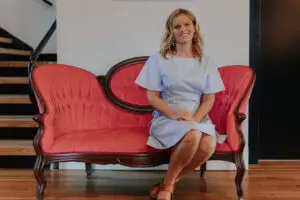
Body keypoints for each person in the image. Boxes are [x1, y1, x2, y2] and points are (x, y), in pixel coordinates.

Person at [135, 8, 225, 200]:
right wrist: (177, 115)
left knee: (208, 143)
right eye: (177, 26)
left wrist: (194, 118)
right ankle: (167, 189)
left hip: (196, 116)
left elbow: (209, 99)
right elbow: (152, 97)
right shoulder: (159, 58)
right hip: (168, 116)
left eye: (187, 24)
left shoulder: (206, 61)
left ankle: (167, 183)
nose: (183, 29)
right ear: (171, 32)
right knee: (193, 135)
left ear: (195, 28)